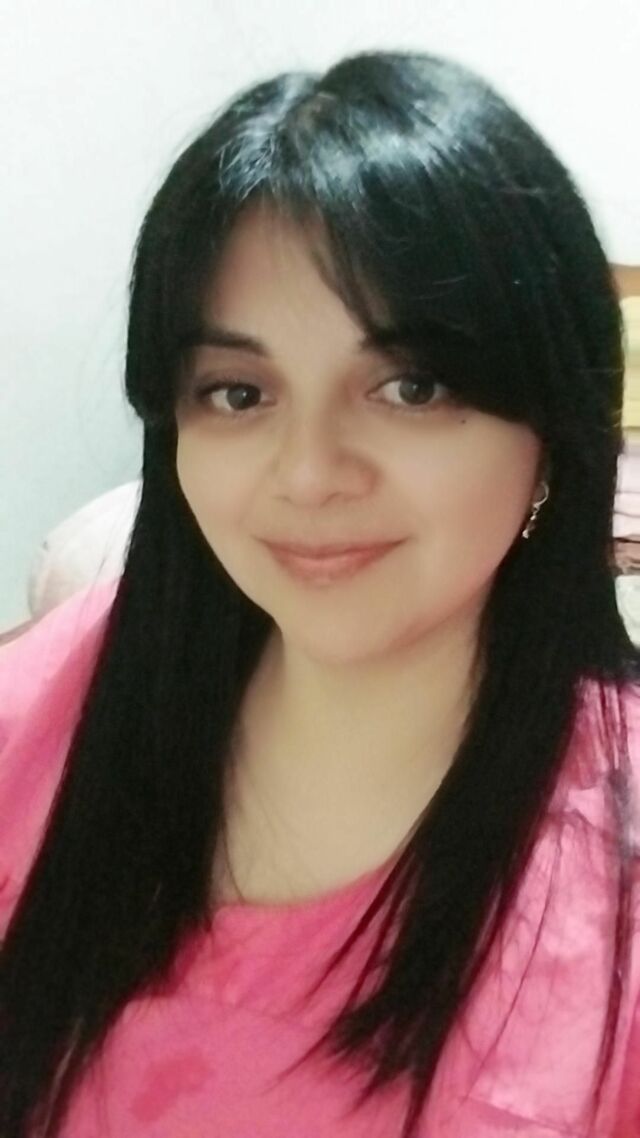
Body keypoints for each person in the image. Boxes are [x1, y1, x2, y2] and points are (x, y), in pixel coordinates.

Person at [1, 48, 639, 1138]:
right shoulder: (63, 695)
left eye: (410, 386)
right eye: (237, 393)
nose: (307, 474)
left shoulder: (607, 873)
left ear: (551, 425)